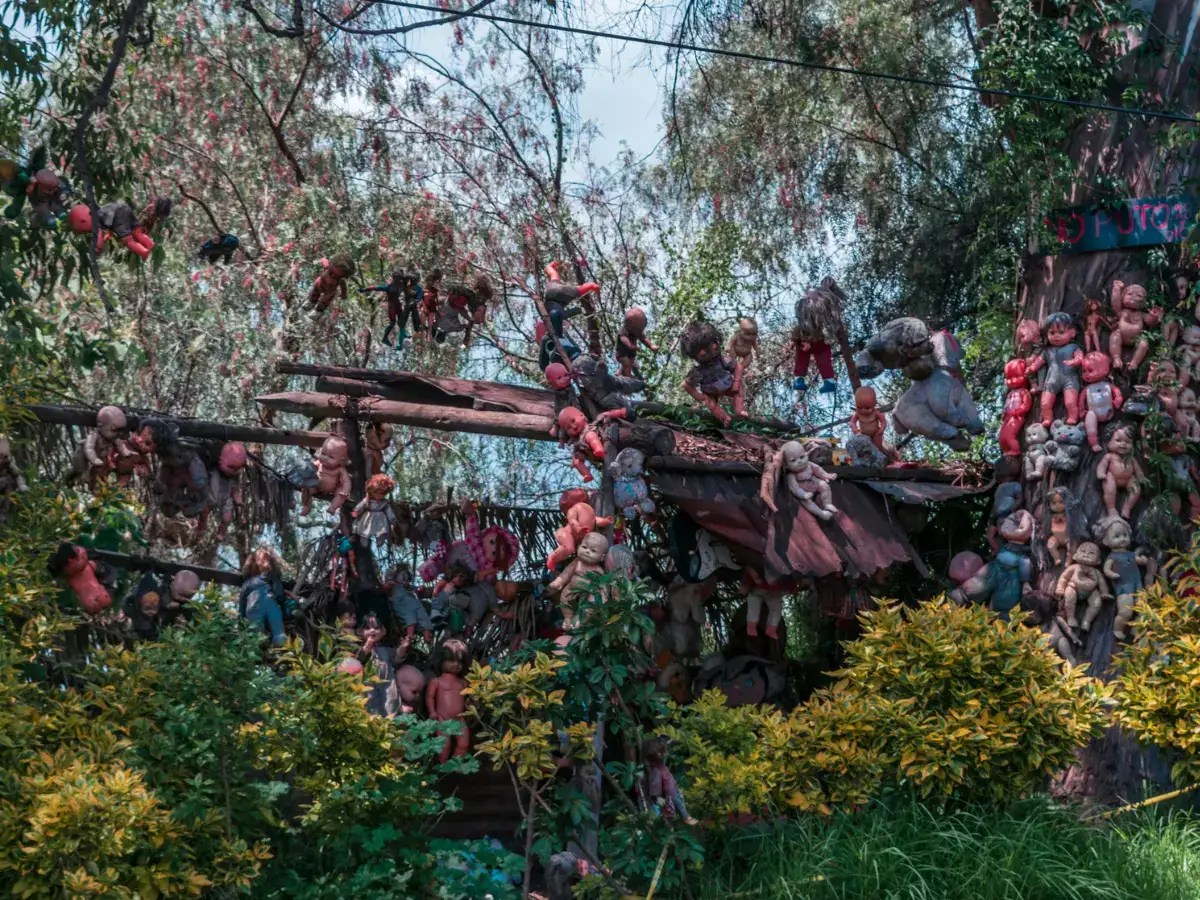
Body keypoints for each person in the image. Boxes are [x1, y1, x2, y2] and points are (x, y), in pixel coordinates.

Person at [239, 548, 287, 646]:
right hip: (270, 603)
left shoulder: (247, 583)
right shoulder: (272, 576)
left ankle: (259, 650)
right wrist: (282, 605)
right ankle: (281, 649)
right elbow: (279, 594)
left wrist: (241, 618)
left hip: (252, 607)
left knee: (256, 638)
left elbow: (242, 604)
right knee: (279, 634)